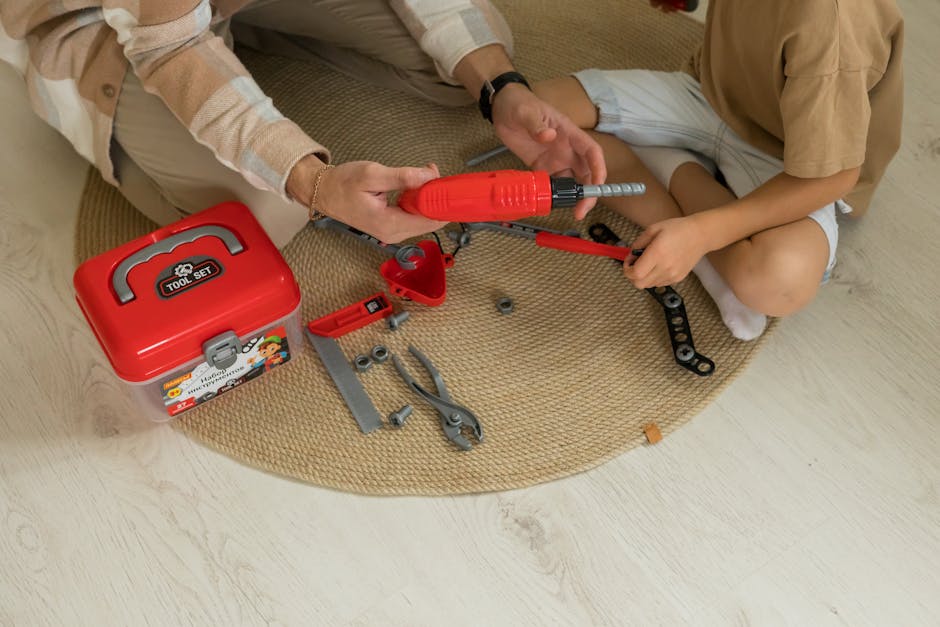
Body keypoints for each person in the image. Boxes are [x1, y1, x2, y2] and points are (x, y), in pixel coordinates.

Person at [0, 1, 605, 248]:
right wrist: (312, 180)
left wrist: (501, 87)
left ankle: (237, 36)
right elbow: (171, 49)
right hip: (112, 28)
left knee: (468, 59)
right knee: (270, 214)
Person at [533, 0, 904, 340]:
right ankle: (701, 241)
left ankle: (679, 196)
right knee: (537, 118)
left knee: (780, 278)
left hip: (788, 157)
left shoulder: (833, 23)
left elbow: (832, 176)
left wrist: (701, 233)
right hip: (707, 93)